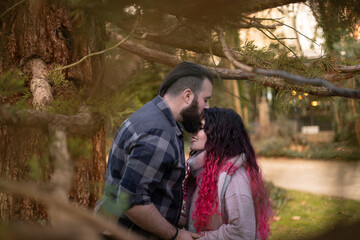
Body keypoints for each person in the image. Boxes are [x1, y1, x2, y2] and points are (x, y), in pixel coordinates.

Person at [95, 61, 213, 240]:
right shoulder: (159, 132)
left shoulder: (151, 115)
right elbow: (133, 202)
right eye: (205, 99)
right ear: (188, 96)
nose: (207, 107)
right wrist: (175, 234)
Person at [182, 107, 273, 240]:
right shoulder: (205, 171)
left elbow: (241, 232)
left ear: (219, 133)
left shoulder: (235, 178)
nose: (194, 132)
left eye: (201, 128)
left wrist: (198, 238)